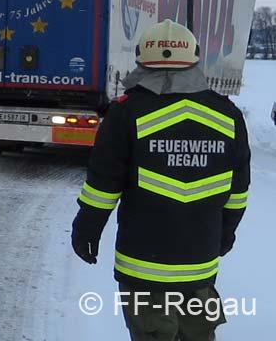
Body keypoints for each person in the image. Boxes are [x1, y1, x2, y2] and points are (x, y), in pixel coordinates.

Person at [71, 20, 249, 341]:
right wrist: (225, 233)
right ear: (194, 59)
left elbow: (104, 185)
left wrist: (86, 228)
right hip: (200, 264)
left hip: (142, 266)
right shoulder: (228, 114)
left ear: (141, 60)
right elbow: (237, 191)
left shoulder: (125, 113)